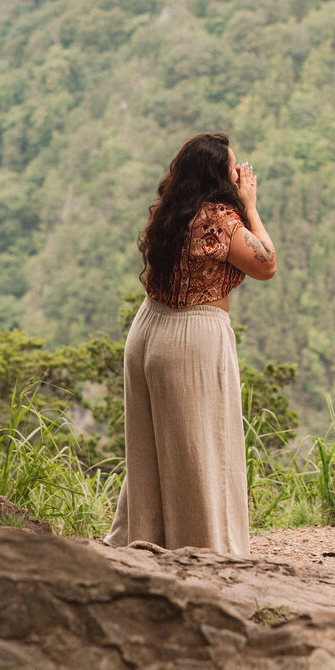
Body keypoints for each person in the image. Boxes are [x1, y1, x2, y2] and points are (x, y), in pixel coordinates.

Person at [105, 132, 276, 555]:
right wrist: (251, 207)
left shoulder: (172, 210)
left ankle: (143, 539)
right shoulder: (219, 219)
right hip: (191, 336)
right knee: (200, 446)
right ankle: (202, 549)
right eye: (235, 167)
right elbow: (266, 264)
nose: (241, 174)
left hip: (148, 328)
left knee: (151, 450)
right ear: (220, 176)